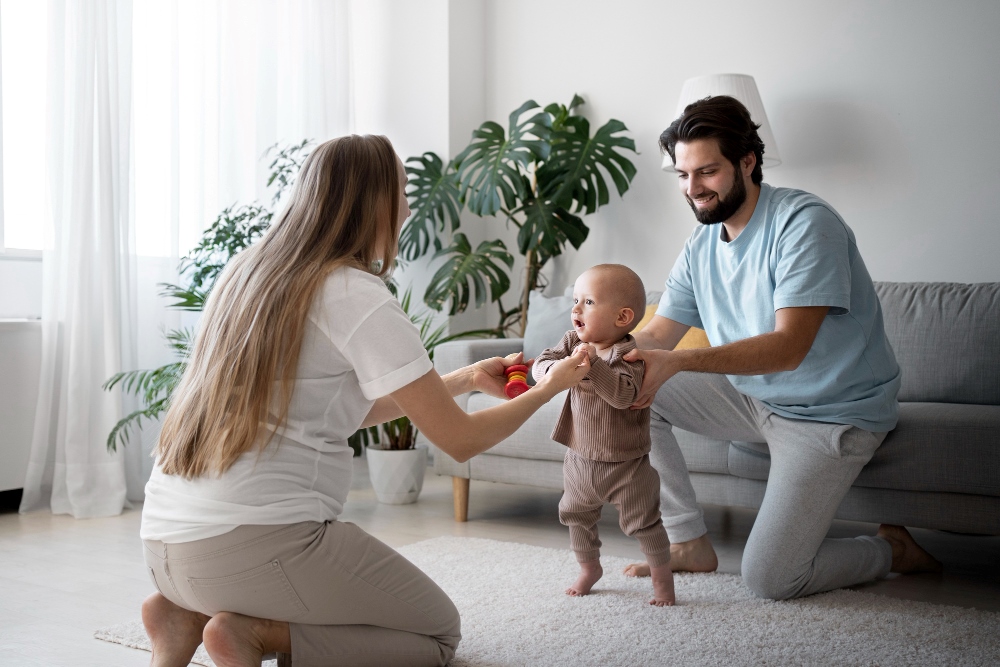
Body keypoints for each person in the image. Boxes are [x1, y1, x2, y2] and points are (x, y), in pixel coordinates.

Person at [138, 134, 591, 667]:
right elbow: (462, 441)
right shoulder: (352, 292)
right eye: (401, 189)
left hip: (165, 546)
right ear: (374, 201)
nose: (407, 204)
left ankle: (182, 615)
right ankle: (249, 634)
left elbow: (342, 412)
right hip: (257, 548)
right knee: (439, 636)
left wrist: (466, 378)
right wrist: (549, 388)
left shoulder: (248, 274)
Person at [620, 95, 941, 600]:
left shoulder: (804, 223)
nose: (693, 189)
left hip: (832, 415)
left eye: (707, 171)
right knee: (629, 384)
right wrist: (592, 351)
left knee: (772, 578)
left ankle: (892, 552)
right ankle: (687, 542)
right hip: (756, 401)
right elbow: (658, 334)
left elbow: (789, 348)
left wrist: (677, 362)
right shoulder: (701, 246)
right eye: (683, 175)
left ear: (747, 161)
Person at [533, 264, 675, 606]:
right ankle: (589, 568)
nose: (576, 309)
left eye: (589, 302)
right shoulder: (570, 343)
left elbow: (624, 395)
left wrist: (593, 365)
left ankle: (662, 578)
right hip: (580, 457)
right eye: (575, 300)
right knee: (575, 515)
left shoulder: (630, 355)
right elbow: (540, 365)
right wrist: (556, 370)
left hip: (626, 465)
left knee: (644, 522)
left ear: (623, 317)